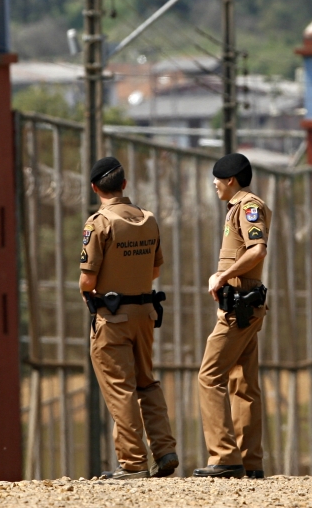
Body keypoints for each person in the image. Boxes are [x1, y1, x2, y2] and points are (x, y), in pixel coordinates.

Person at [80, 156, 179, 479]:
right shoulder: (148, 219)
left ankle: (133, 462)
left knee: (120, 387)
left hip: (113, 316)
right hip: (145, 313)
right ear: (124, 185)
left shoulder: (99, 223)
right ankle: (165, 450)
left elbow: (87, 281)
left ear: (95, 188)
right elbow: (154, 270)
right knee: (147, 382)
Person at [194, 152, 271, 479]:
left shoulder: (249, 206)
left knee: (209, 376)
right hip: (240, 304)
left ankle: (224, 455)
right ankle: (250, 461)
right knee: (243, 382)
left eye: (217, 178)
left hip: (240, 304)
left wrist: (223, 277)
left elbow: (257, 249)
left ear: (230, 180)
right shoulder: (237, 209)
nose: (214, 184)